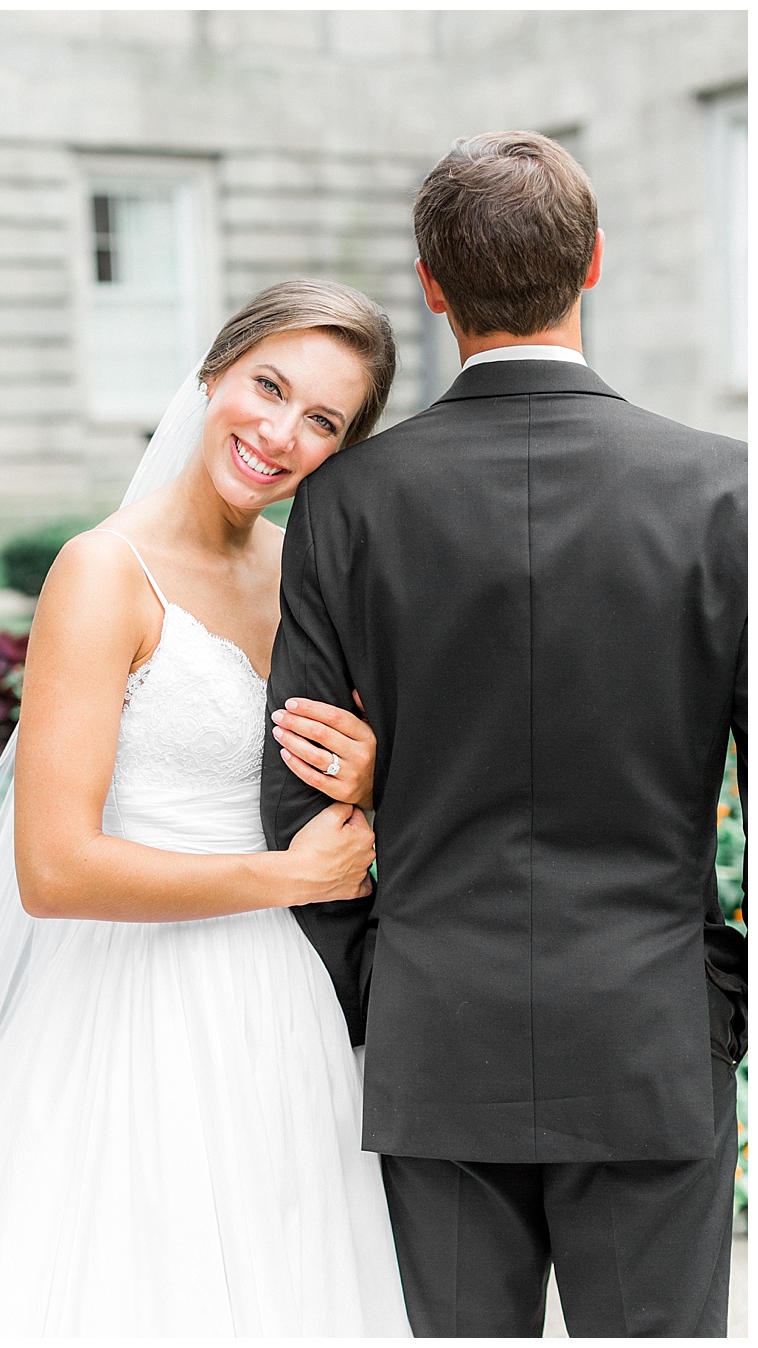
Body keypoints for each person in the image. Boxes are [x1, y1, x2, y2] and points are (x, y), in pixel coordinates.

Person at [264, 131, 746, 1338]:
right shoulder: (725, 494)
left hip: (436, 1042)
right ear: (594, 263)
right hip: (653, 1038)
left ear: (431, 284)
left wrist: (382, 980)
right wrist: (721, 1002)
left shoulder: (345, 499)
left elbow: (298, 792)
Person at [0, 280, 412, 1335]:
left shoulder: (307, 569)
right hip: (133, 1013)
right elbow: (55, 869)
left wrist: (369, 776)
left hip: (287, 1013)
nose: (280, 432)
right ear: (214, 371)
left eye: (323, 421)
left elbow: (336, 771)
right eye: (269, 385)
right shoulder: (102, 572)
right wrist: (286, 877)